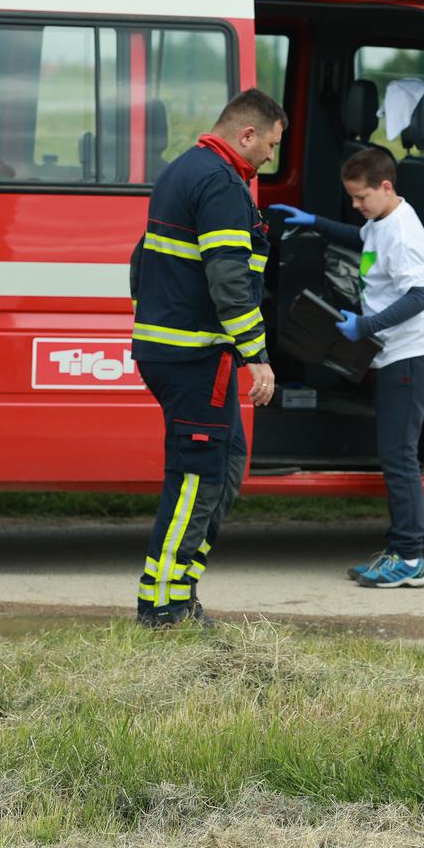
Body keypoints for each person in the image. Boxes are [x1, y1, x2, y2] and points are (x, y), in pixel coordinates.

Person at [129, 88, 285, 627]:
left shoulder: (183, 170)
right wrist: (257, 355)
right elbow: (229, 278)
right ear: (246, 135)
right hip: (195, 358)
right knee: (197, 478)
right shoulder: (220, 183)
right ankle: (163, 608)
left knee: (225, 467)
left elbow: (140, 259)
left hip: (176, 350)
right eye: (269, 144)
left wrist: (152, 320)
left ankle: (181, 590)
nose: (270, 156)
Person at [270, 147, 424, 588]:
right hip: (393, 354)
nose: (355, 206)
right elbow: (362, 239)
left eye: (360, 198)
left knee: (399, 457)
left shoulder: (405, 235)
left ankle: (409, 559)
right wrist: (316, 224)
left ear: (386, 187)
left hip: (411, 356)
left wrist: (364, 325)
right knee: (395, 455)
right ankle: (400, 550)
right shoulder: (382, 222)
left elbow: (417, 298)